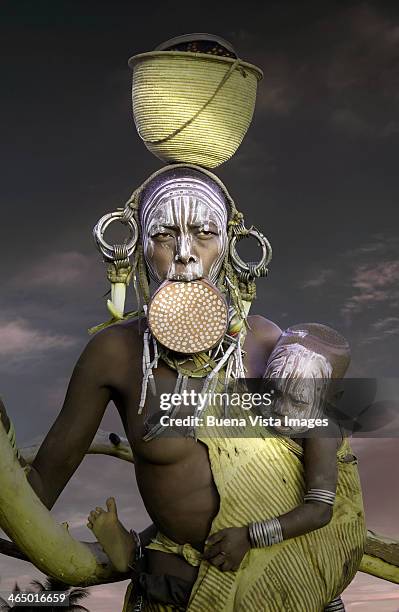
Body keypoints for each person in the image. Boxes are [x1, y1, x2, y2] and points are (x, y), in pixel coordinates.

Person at [88, 323, 366, 612]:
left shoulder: (322, 431)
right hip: (248, 503)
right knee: (206, 496)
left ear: (332, 398)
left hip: (300, 533)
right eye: (272, 391)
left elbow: (320, 510)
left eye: (297, 400)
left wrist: (249, 536)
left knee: (315, 586)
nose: (280, 408)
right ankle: (135, 550)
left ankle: (136, 553)